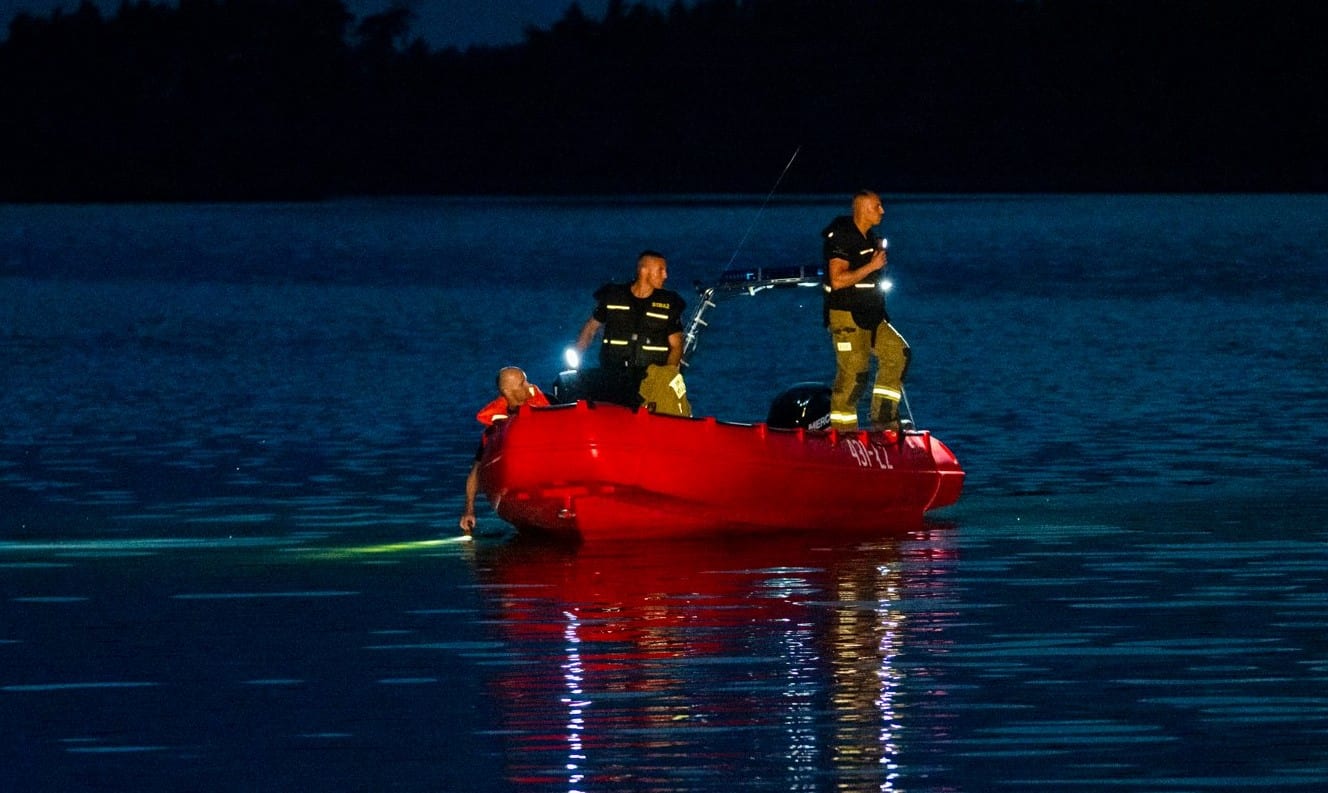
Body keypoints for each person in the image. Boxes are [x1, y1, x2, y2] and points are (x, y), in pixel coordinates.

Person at [821, 190, 910, 432]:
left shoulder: (871, 238)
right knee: (854, 376)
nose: (883, 211)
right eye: (877, 206)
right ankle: (842, 434)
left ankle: (884, 420)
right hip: (847, 316)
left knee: (898, 353)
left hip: (872, 316)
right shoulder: (841, 237)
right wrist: (872, 265)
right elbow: (837, 280)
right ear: (862, 209)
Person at [572, 250, 691, 417]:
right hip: (612, 374)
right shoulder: (613, 297)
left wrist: (666, 377)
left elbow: (677, 346)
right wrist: (576, 357)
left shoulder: (669, 304)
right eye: (660, 270)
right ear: (644, 271)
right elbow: (590, 328)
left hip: (647, 378)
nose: (665, 275)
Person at [459, 366, 550, 534]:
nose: (529, 386)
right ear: (507, 391)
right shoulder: (496, 428)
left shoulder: (549, 403)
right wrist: (469, 511)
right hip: (520, 482)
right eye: (523, 383)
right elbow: (476, 469)